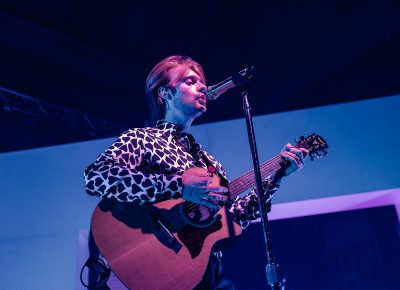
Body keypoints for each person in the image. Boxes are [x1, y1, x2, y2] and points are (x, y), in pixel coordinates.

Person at [84, 55, 307, 289]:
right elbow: (97, 177)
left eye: (201, 82)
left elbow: (232, 220)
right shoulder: (142, 139)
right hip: (157, 266)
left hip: (202, 275)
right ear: (165, 93)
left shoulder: (209, 163)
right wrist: (178, 185)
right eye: (190, 81)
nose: (201, 86)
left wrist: (276, 177)